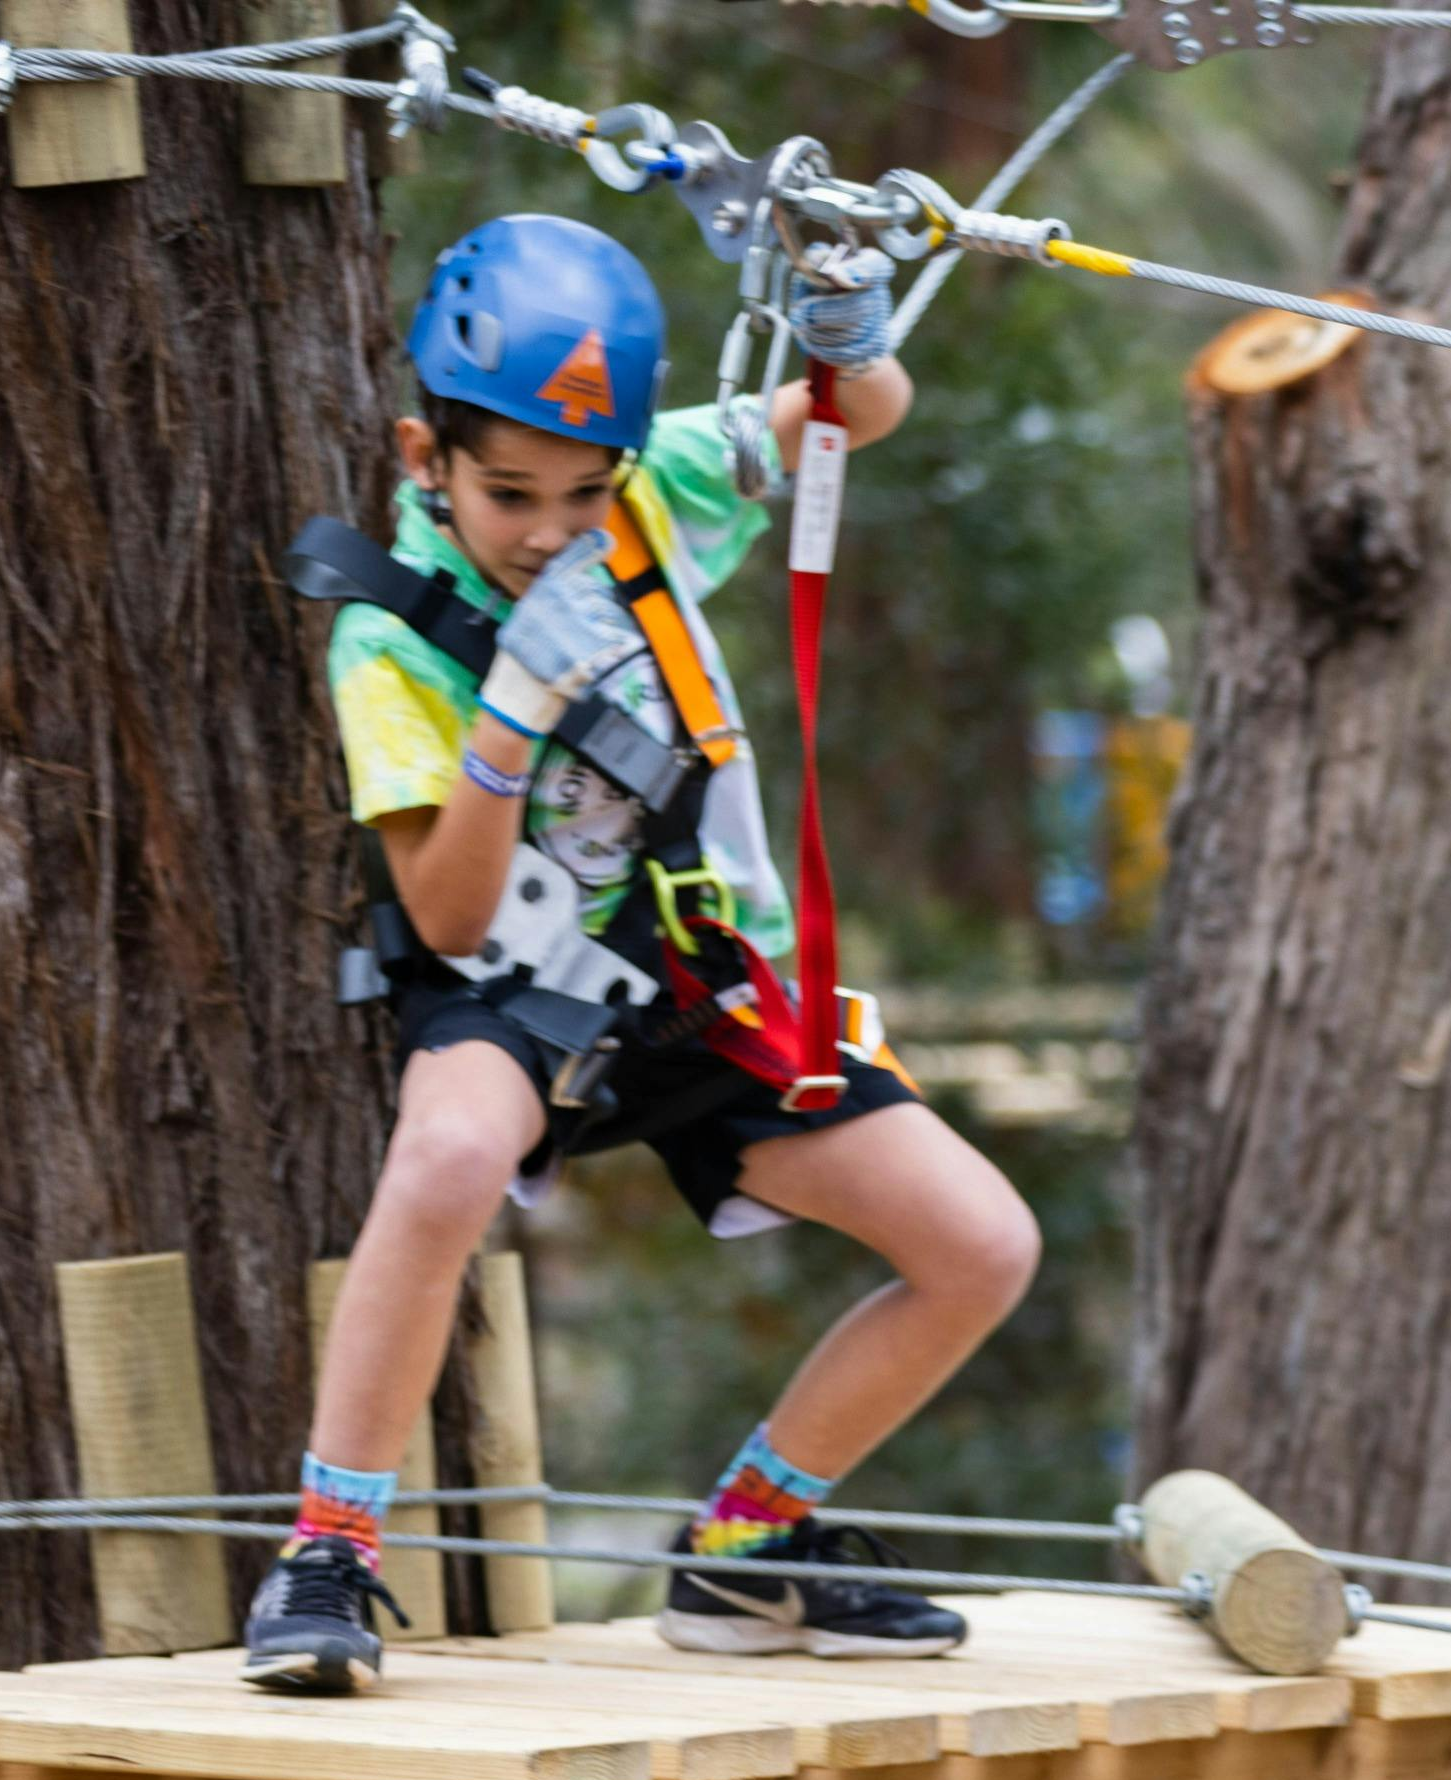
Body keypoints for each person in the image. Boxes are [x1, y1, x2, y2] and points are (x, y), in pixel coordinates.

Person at [246, 215, 1040, 1693]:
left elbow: (851, 414)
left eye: (579, 490)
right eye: (509, 492)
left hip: (699, 987)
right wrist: (511, 717)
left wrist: (847, 323)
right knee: (443, 1160)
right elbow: (449, 921)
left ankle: (741, 1550)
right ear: (426, 454)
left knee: (981, 1243)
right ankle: (329, 1551)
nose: (551, 528)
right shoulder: (389, 637)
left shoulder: (657, 484)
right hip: (514, 986)